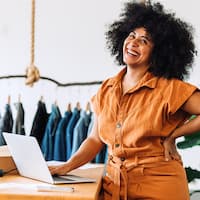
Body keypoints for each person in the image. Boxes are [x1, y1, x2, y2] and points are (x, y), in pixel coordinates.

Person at [49, 1, 200, 199]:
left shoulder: (169, 88)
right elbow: (95, 139)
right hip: (114, 187)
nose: (133, 43)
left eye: (144, 41)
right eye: (131, 36)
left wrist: (174, 135)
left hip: (159, 188)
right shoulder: (107, 88)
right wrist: (67, 166)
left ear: (158, 53)